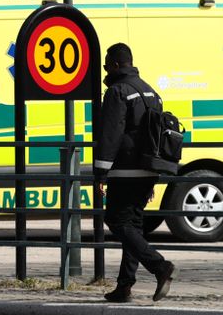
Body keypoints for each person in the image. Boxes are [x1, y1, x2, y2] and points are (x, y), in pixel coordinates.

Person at [93, 42, 177, 303]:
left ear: (115, 64)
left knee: (116, 221)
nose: (105, 69)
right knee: (134, 227)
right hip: (149, 168)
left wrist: (100, 172)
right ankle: (124, 286)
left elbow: (110, 134)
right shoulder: (150, 91)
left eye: (107, 64)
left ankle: (159, 266)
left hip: (125, 170)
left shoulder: (118, 91)